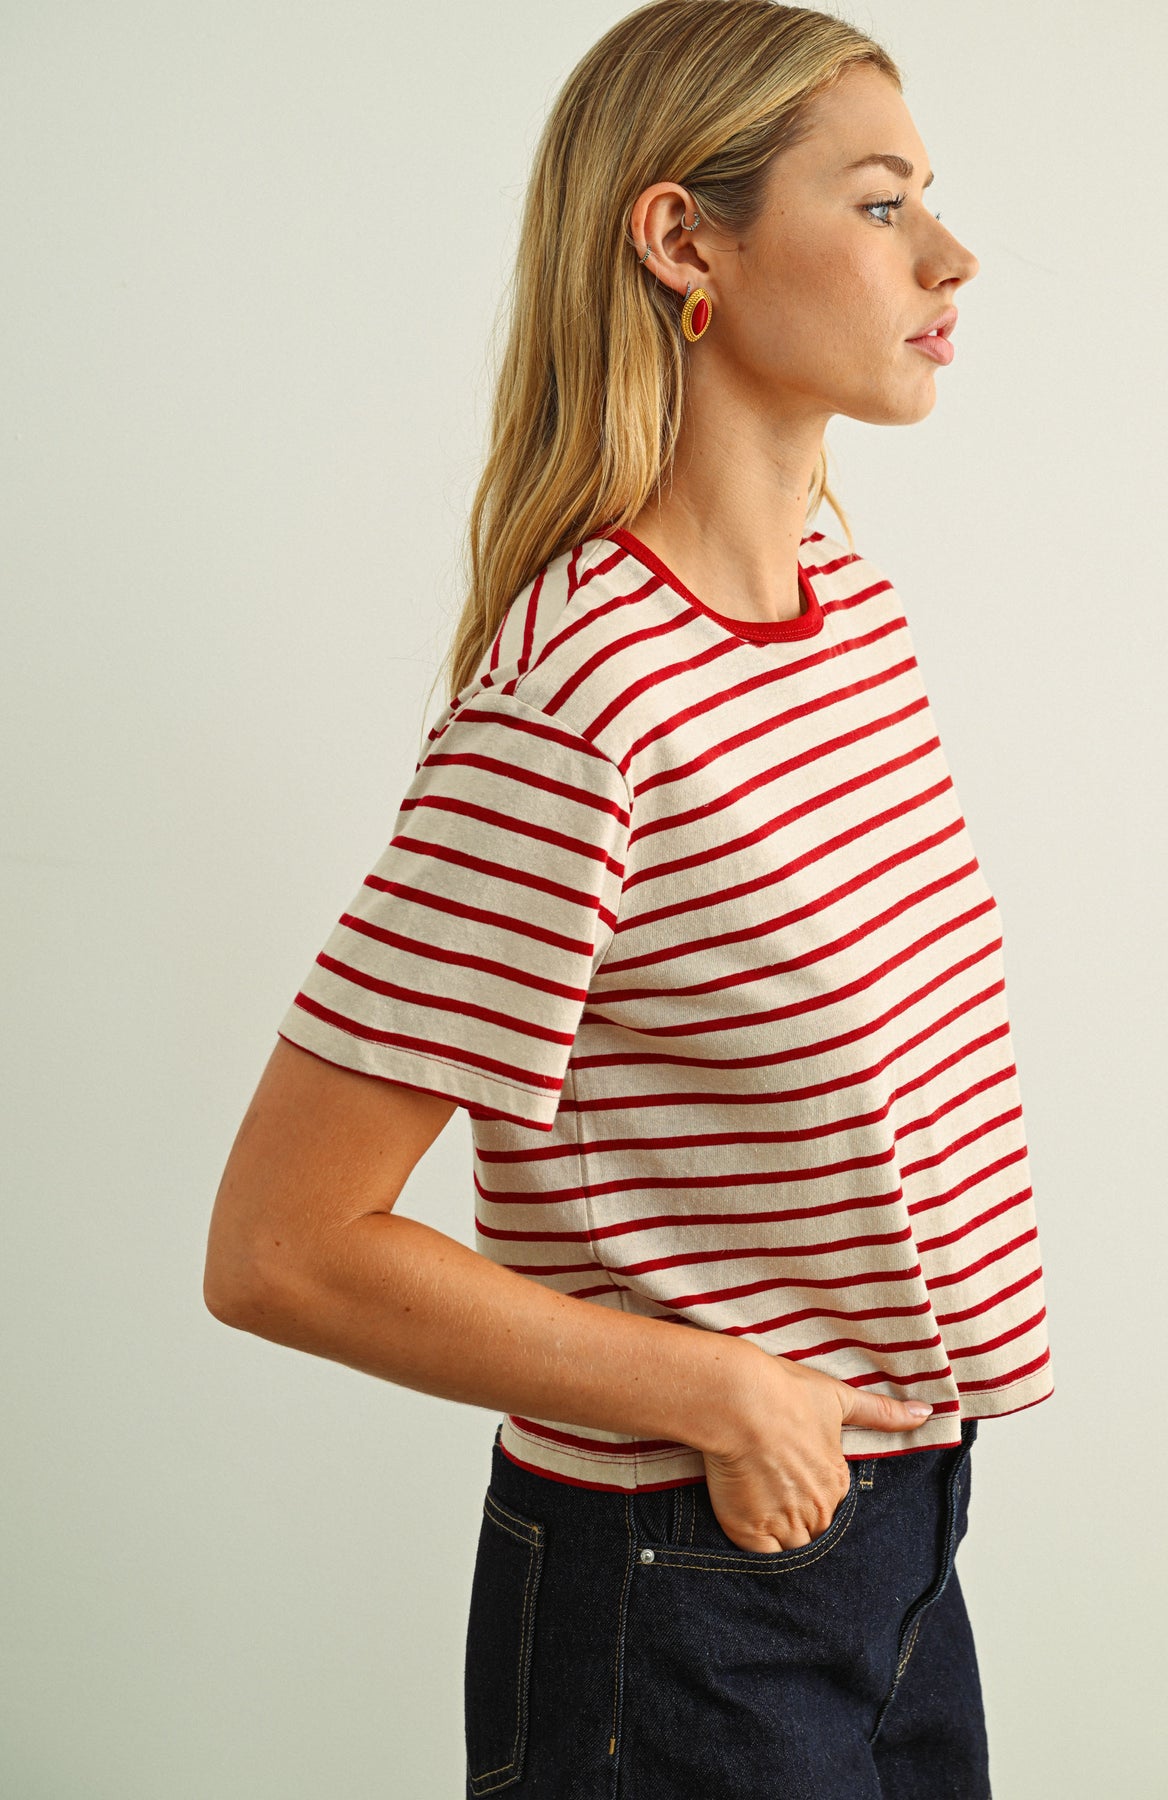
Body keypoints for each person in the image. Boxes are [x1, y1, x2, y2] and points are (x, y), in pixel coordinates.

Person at [204, 4, 1054, 1794]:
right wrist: (719, 1393)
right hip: (682, 1591)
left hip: (900, 1543)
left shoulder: (844, 607)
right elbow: (282, 1245)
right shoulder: (586, 695)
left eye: (929, 198)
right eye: (883, 203)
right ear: (684, 242)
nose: (951, 256)